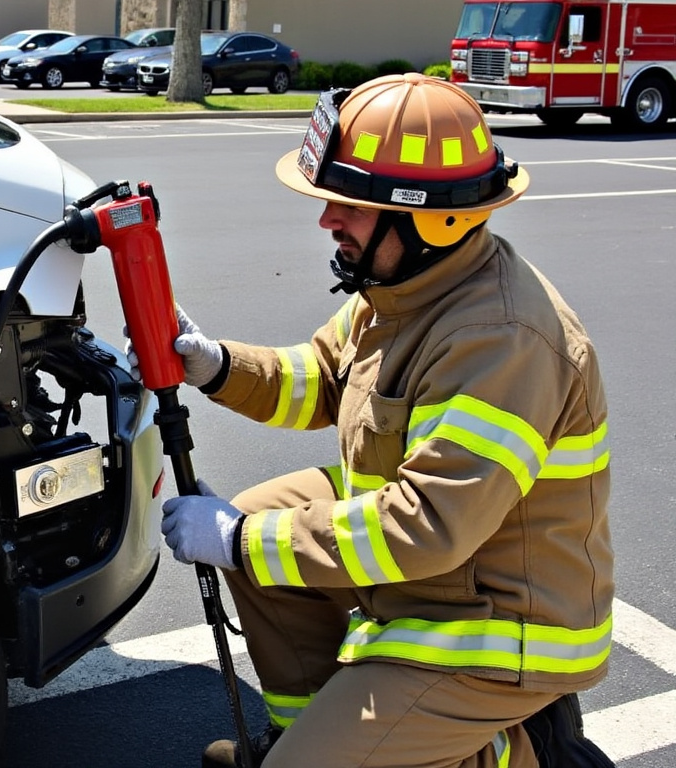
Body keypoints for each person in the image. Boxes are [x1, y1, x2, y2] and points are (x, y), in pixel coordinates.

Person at [137, 73, 615, 767]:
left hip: (495, 626)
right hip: (441, 574)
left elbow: (427, 524)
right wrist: (213, 364)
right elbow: (321, 381)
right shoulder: (405, 288)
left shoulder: (501, 339)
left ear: (432, 217)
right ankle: (314, 736)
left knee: (258, 538)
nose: (328, 220)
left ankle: (517, 751)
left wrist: (242, 541)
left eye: (351, 207)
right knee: (264, 519)